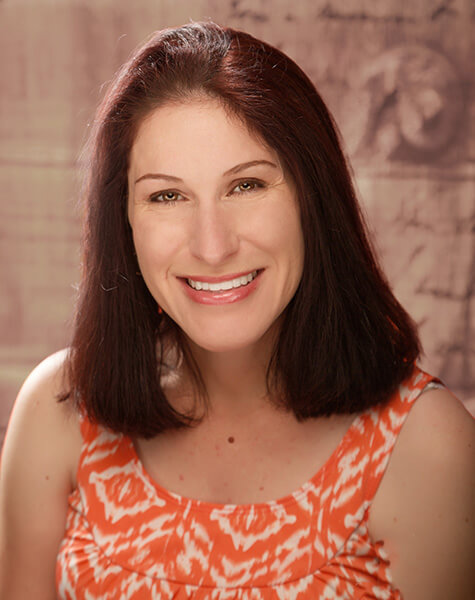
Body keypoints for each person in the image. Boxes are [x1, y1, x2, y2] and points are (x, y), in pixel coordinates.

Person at [0, 21, 473, 600]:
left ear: (312, 197)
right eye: (167, 196)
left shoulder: (425, 444)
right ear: (122, 220)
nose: (212, 246)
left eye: (247, 185)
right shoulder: (61, 412)